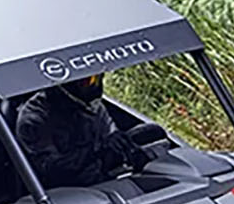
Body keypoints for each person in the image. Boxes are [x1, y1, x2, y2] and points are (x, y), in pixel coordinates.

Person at [15, 74, 145, 188]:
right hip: (65, 199)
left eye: (96, 79)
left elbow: (111, 139)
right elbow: (50, 171)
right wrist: (98, 150)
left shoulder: (93, 106)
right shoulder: (34, 119)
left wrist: (130, 150)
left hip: (103, 184)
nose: (93, 85)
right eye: (87, 81)